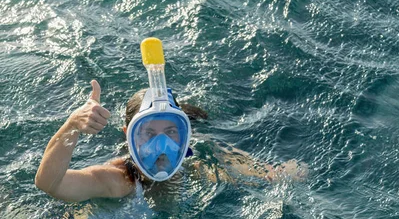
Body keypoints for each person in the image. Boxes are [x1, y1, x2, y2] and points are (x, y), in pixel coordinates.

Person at [35, 80, 307, 203]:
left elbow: (270, 176)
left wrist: (283, 175)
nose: (162, 145)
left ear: (185, 132)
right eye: (149, 134)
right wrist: (72, 127)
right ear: (128, 135)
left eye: (171, 132)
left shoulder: (197, 164)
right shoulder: (119, 180)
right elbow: (49, 184)